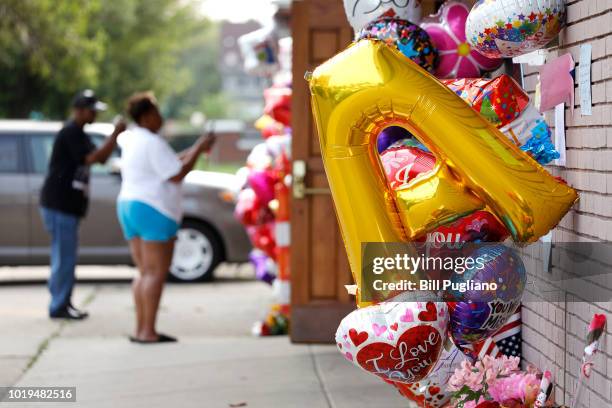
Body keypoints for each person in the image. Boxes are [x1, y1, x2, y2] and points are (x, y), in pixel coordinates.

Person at [117, 92, 215, 343]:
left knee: (143, 272)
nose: (160, 118)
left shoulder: (133, 140)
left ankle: (141, 329)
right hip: (153, 208)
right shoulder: (152, 142)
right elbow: (177, 173)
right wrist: (200, 148)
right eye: (157, 113)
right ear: (147, 116)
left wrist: (195, 149)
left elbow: (169, 164)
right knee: (155, 274)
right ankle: (148, 331)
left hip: (129, 205)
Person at [40, 89, 127, 320]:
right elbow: (94, 158)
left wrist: (112, 139)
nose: (94, 115)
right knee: (64, 258)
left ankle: (63, 302)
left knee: (65, 257)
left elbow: (101, 156)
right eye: (91, 111)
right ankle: (58, 305)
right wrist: (116, 133)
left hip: (67, 205)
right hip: (60, 205)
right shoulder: (71, 133)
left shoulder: (79, 133)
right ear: (79, 111)